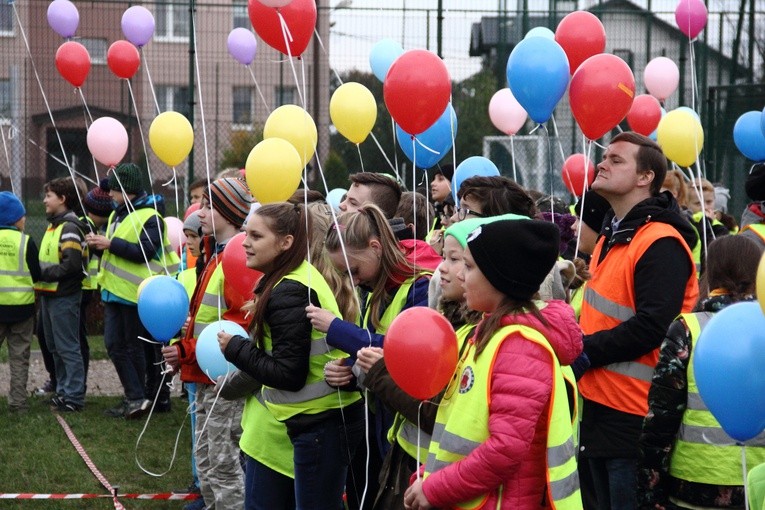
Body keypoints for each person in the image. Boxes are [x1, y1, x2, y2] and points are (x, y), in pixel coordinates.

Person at [403, 218, 583, 510]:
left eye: (470, 267)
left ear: (501, 277)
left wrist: (436, 487)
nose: (461, 276)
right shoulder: (489, 332)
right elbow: (463, 425)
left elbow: (504, 450)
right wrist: (431, 474)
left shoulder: (520, 346)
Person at [576, 132, 699, 510]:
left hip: (634, 416)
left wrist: (583, 351)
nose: (602, 164)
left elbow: (653, 326)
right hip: (599, 408)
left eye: (616, 160)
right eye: (604, 157)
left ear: (645, 177)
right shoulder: (613, 235)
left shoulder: (659, 241)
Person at [219, 202, 364, 510]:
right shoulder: (294, 278)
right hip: (320, 422)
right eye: (246, 233)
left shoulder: (290, 290)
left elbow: (289, 375)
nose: (244, 242)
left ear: (285, 243)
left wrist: (236, 348)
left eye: (256, 236)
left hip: (321, 424)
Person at [306, 203, 431, 510]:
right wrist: (350, 371)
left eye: (354, 270)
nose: (354, 280)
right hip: (381, 421)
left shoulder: (421, 285)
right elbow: (372, 352)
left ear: (375, 247)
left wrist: (337, 329)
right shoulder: (376, 288)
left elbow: (402, 349)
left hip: (410, 429)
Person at [638, 235, 765, 509]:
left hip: (694, 483)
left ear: (711, 273)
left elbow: (662, 416)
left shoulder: (687, 329)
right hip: (759, 486)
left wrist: (651, 489)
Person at [162, 177, 252, 510]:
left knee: (224, 465)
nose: (199, 212)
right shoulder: (213, 255)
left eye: (209, 206)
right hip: (203, 374)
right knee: (206, 464)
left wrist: (187, 350)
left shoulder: (237, 258)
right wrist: (184, 350)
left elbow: (238, 324)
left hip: (224, 379)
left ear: (229, 214)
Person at [86, 163, 180, 419]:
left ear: (126, 190)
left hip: (137, 295)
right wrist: (98, 245)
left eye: (114, 190)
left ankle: (140, 398)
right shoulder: (119, 215)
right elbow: (116, 251)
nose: (111, 196)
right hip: (115, 292)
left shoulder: (151, 217)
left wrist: (109, 243)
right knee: (118, 346)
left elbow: (144, 252)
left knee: (129, 347)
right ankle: (139, 396)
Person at [35, 177, 89, 412]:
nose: (45, 200)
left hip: (64, 296)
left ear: (63, 199)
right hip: (50, 295)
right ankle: (63, 391)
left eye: (49, 196)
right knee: (54, 346)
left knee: (67, 347)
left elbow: (72, 266)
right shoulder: (54, 225)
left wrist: (42, 273)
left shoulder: (69, 227)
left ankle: (74, 397)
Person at [0, 192, 40, 412]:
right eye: (21, 215)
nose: (24, 219)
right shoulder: (26, 241)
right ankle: (17, 403)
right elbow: (36, 273)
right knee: (19, 356)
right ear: (13, 218)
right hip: (22, 311)